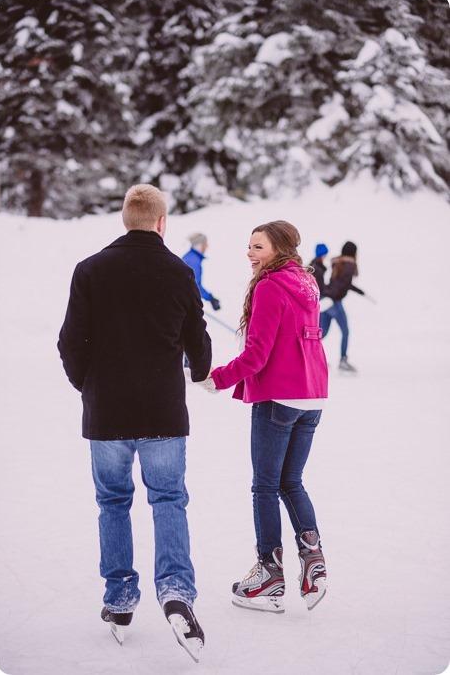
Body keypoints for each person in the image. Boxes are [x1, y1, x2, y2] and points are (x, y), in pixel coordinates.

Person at [57, 184, 211, 662]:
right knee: (168, 499)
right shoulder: (179, 271)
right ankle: (176, 592)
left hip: (107, 413)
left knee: (113, 502)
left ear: (126, 219)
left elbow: (69, 342)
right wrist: (199, 372)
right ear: (161, 223)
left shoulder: (90, 270)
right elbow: (198, 344)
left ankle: (120, 596)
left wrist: (90, 387)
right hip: (163, 411)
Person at [203, 220, 328, 613]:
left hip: (279, 397)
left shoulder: (271, 287)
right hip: (311, 396)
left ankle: (270, 576)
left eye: (258, 247)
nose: (250, 254)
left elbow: (257, 354)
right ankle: (314, 563)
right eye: (249, 246)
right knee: (291, 481)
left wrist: (218, 378)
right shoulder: (306, 283)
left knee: (265, 486)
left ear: (279, 249)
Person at [320, 240, 365, 373]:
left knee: (322, 332)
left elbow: (342, 283)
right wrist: (332, 296)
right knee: (345, 331)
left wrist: (358, 291)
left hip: (326, 299)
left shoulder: (339, 263)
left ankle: (309, 356)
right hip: (333, 301)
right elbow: (340, 285)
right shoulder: (350, 265)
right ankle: (343, 360)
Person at [182, 233, 221, 311]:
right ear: (199, 245)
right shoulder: (192, 261)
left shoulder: (191, 258)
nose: (207, 247)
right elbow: (194, 285)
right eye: (205, 244)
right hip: (183, 303)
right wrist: (210, 298)